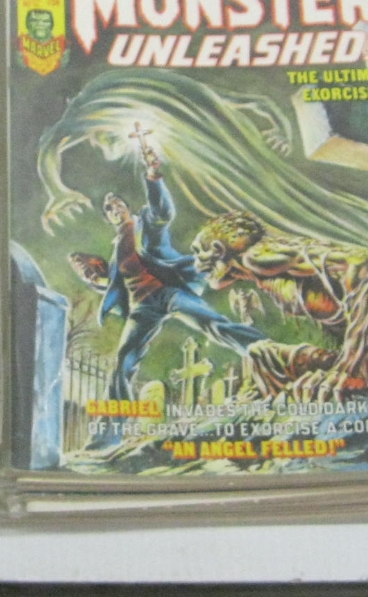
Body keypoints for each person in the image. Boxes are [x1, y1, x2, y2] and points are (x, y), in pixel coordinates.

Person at [70, 139, 264, 402]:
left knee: (213, 323)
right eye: (110, 209)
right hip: (142, 306)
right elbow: (116, 283)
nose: (116, 209)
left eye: (118, 204)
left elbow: (162, 212)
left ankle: (266, 351)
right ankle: (113, 418)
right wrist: (92, 277)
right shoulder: (117, 252)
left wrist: (153, 175)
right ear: (108, 218)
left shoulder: (145, 226)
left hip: (167, 291)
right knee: (124, 359)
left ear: (126, 207)